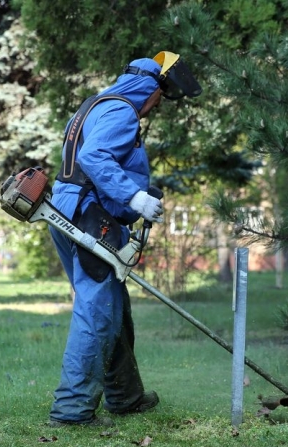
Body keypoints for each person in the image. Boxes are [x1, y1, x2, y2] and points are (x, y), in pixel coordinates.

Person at [47, 52, 202, 427]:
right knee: (97, 311)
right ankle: (71, 412)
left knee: (112, 304)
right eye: (160, 97)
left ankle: (125, 396)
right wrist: (135, 198)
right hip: (90, 219)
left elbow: (90, 161)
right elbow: (95, 157)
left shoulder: (94, 105)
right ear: (150, 87)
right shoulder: (122, 111)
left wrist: (133, 190)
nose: (157, 105)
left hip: (68, 212)